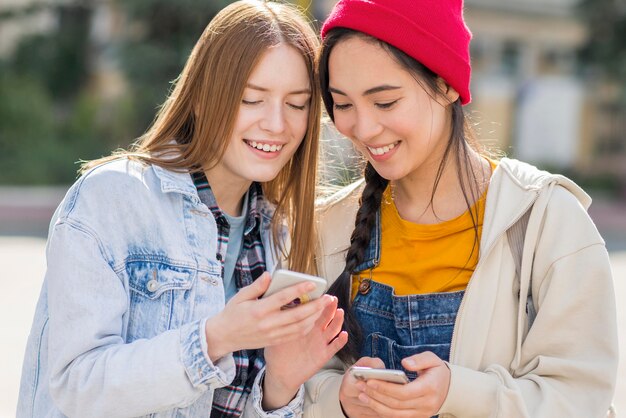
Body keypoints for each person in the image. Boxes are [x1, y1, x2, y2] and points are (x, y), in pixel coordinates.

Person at [17, 1, 348, 417]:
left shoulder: (281, 233)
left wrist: (279, 387)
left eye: (297, 104)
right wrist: (212, 340)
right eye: (252, 99)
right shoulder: (115, 197)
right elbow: (75, 386)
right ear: (204, 97)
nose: (277, 124)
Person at [304, 0, 618, 417]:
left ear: (447, 83)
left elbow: (583, 399)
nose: (362, 128)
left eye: (385, 102)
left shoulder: (546, 221)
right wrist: (338, 400)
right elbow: (293, 384)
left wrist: (459, 393)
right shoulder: (329, 225)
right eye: (343, 105)